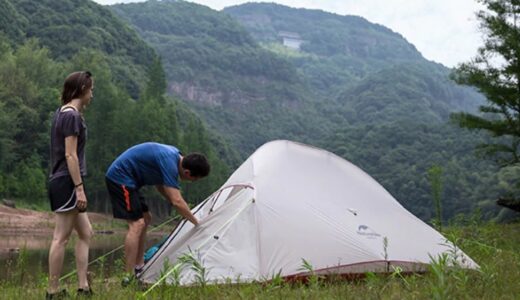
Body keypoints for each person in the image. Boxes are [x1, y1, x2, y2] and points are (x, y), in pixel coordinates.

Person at [105, 142, 210, 283]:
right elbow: (177, 201)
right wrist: (197, 222)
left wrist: (180, 209)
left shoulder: (174, 156)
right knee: (137, 224)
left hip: (132, 182)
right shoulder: (170, 163)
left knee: (146, 218)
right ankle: (128, 276)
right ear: (187, 173)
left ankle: (139, 265)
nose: (193, 182)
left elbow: (162, 188)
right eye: (194, 179)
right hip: (120, 178)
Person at [46, 71, 94, 299]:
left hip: (65, 180)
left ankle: (83, 286)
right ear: (82, 89)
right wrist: (79, 187)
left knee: (86, 232)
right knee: (61, 237)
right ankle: (52, 291)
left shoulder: (62, 113)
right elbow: (70, 155)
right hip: (67, 181)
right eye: (91, 90)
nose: (92, 95)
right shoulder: (71, 116)